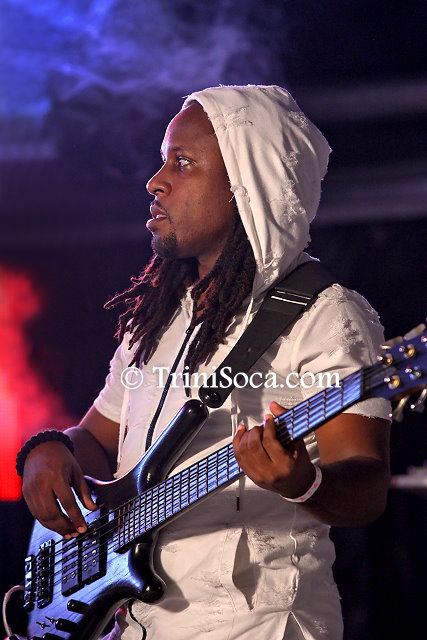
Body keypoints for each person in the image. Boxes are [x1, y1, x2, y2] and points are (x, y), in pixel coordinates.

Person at [20, 85, 391, 640]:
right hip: (138, 623)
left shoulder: (328, 315)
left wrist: (302, 482)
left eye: (183, 162)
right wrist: (51, 450)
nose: (156, 181)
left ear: (247, 185)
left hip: (256, 624)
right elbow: (98, 437)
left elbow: (367, 487)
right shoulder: (160, 317)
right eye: (162, 160)